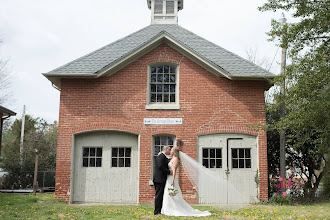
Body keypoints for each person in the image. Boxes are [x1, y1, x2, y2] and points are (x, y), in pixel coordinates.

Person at [161, 147, 211, 216]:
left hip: (171, 178)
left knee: (171, 193)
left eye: (171, 150)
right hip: (168, 178)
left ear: (174, 152)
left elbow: (174, 170)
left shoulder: (175, 159)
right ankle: (167, 208)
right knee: (168, 193)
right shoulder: (173, 158)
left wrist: (172, 181)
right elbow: (167, 159)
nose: (170, 151)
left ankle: (172, 208)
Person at [153, 145, 172, 215]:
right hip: (159, 179)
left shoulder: (162, 156)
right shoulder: (161, 156)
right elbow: (160, 166)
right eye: (169, 149)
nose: (170, 151)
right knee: (158, 196)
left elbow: (163, 163)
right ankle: (157, 212)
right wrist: (168, 172)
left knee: (160, 196)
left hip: (160, 179)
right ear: (166, 149)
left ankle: (159, 211)